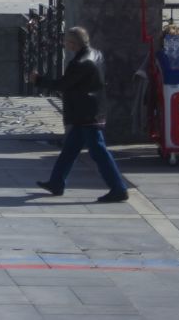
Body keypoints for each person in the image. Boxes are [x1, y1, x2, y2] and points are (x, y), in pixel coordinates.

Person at [36, 27, 130, 202]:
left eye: (66, 41)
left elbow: (63, 84)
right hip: (90, 111)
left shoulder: (79, 63)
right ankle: (56, 182)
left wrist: (39, 80)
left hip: (87, 115)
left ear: (73, 43)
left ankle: (118, 188)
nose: (64, 44)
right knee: (70, 149)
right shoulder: (96, 54)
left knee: (99, 152)